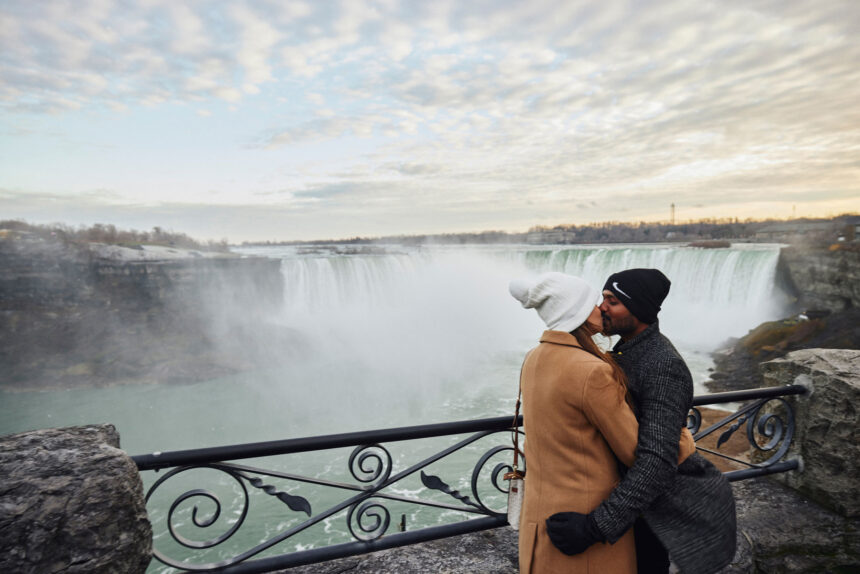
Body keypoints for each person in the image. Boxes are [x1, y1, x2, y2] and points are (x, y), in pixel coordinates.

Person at [544, 268, 737, 574]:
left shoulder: (663, 366)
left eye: (612, 301)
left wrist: (595, 526)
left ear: (639, 310)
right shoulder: (623, 352)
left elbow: (658, 460)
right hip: (636, 506)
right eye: (603, 297)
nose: (601, 307)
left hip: (659, 509)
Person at [509, 272, 696, 574]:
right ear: (577, 312)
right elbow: (643, 454)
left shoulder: (533, 357)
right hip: (583, 522)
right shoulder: (593, 370)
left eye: (611, 300)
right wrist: (683, 437)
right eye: (597, 301)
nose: (601, 308)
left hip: (541, 520)